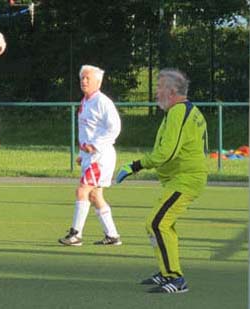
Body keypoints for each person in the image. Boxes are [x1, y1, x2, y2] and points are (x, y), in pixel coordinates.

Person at [116, 68, 208, 293]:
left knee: (156, 223)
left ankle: (176, 278)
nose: (156, 93)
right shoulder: (188, 111)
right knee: (162, 224)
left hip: (185, 180)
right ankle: (167, 272)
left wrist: (135, 166)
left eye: (159, 88)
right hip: (181, 179)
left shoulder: (179, 111)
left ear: (172, 91)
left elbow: (168, 152)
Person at [58, 64, 122, 246]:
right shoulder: (85, 101)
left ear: (98, 82)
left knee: (82, 190)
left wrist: (95, 145)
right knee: (95, 196)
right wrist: (81, 153)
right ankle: (112, 236)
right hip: (89, 156)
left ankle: (76, 234)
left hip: (100, 157)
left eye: (88, 78)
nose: (84, 81)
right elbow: (85, 131)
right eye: (82, 78)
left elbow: (115, 128)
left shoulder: (103, 102)